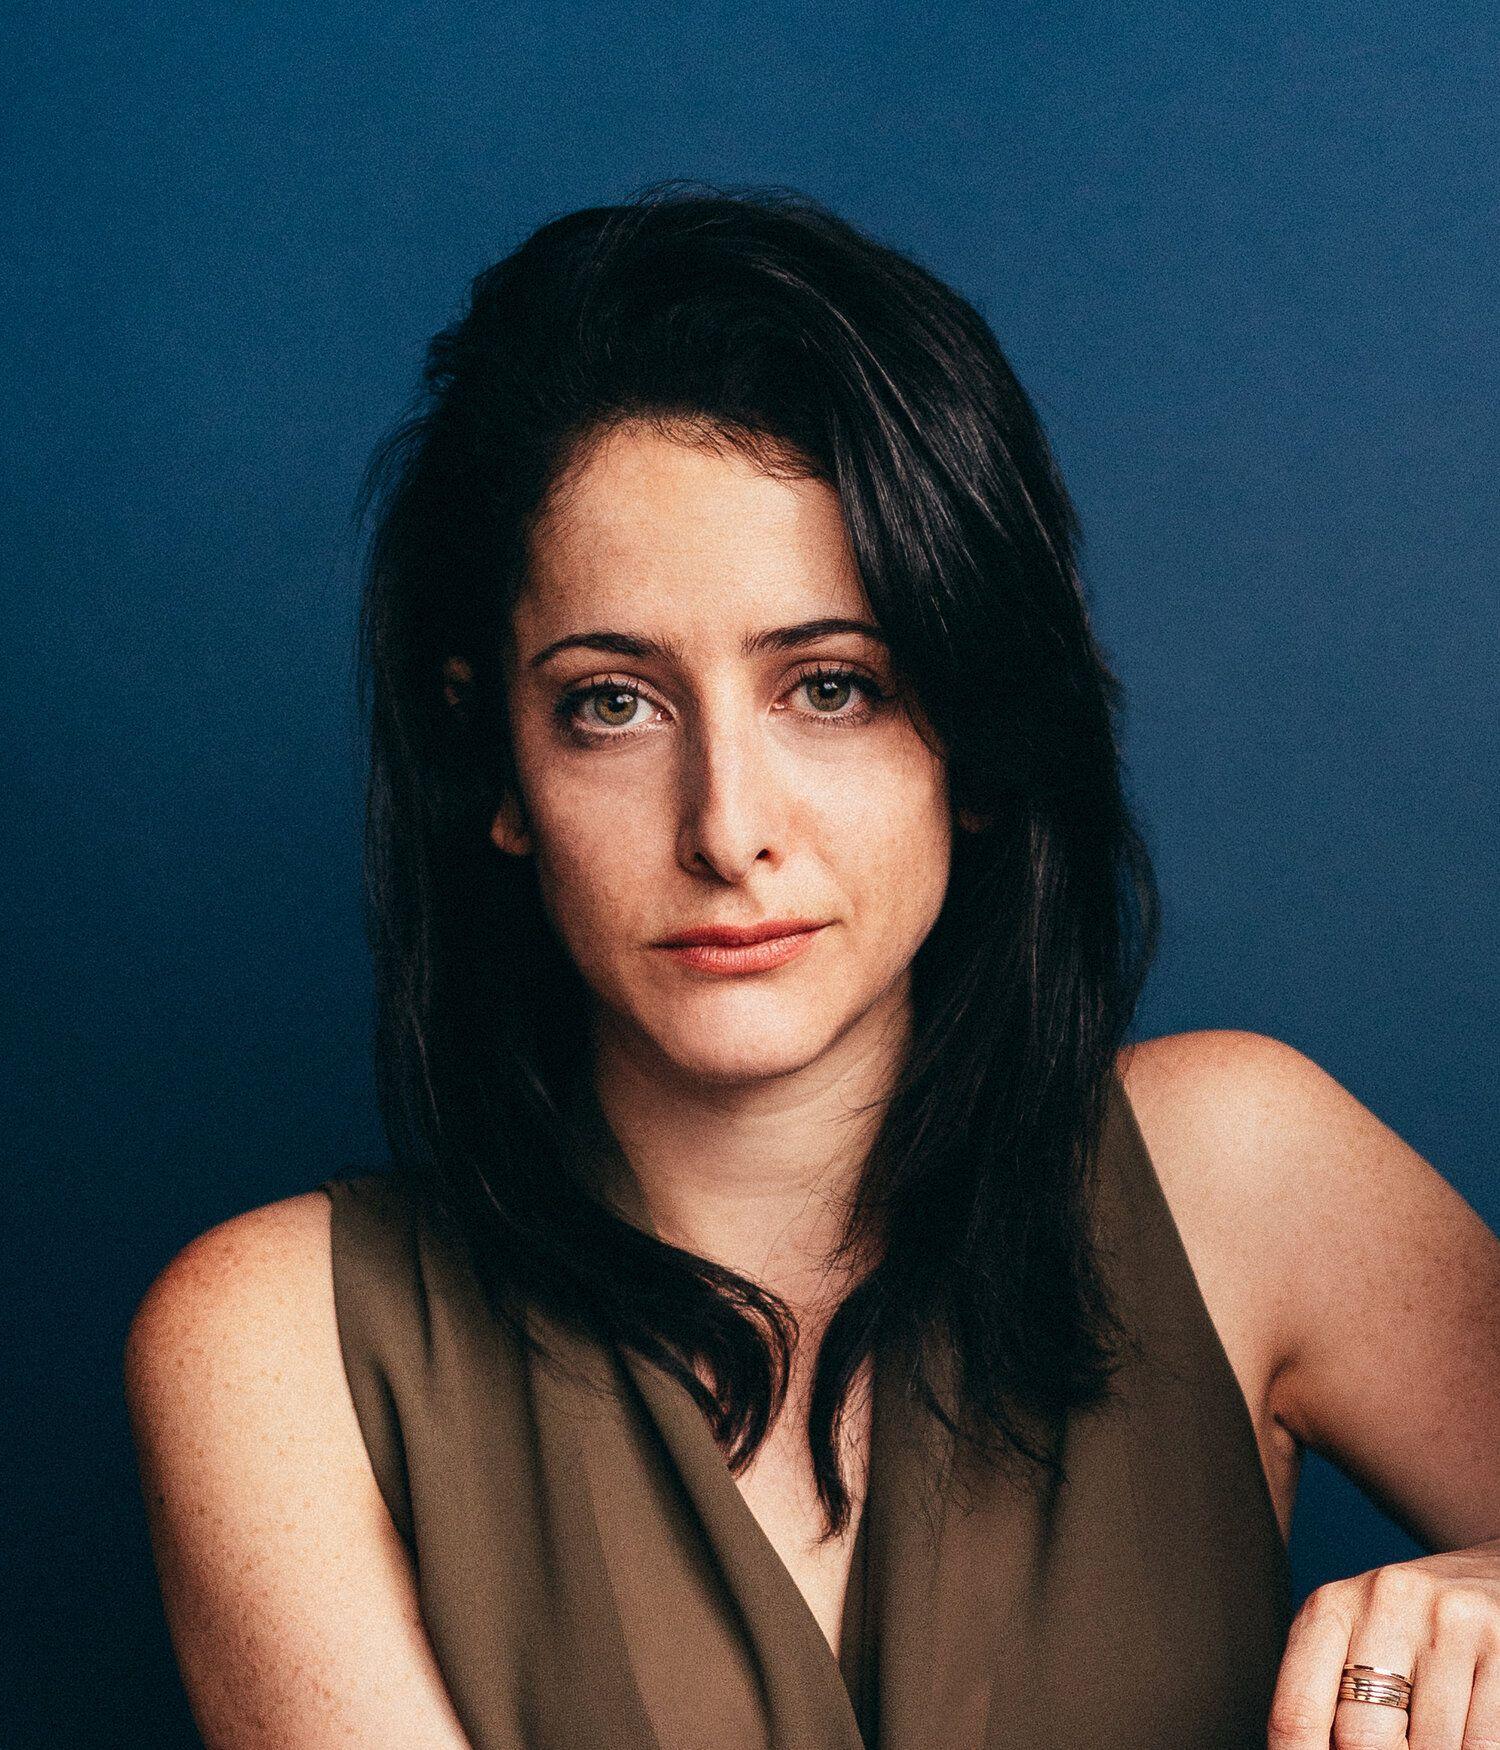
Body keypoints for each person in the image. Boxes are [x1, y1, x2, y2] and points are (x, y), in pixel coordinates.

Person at [123, 183, 1500, 1750]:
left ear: (972, 733)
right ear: (495, 764)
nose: (728, 828)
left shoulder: (1241, 1171)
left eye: (830, 686)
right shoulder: (273, 1348)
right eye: (612, 703)